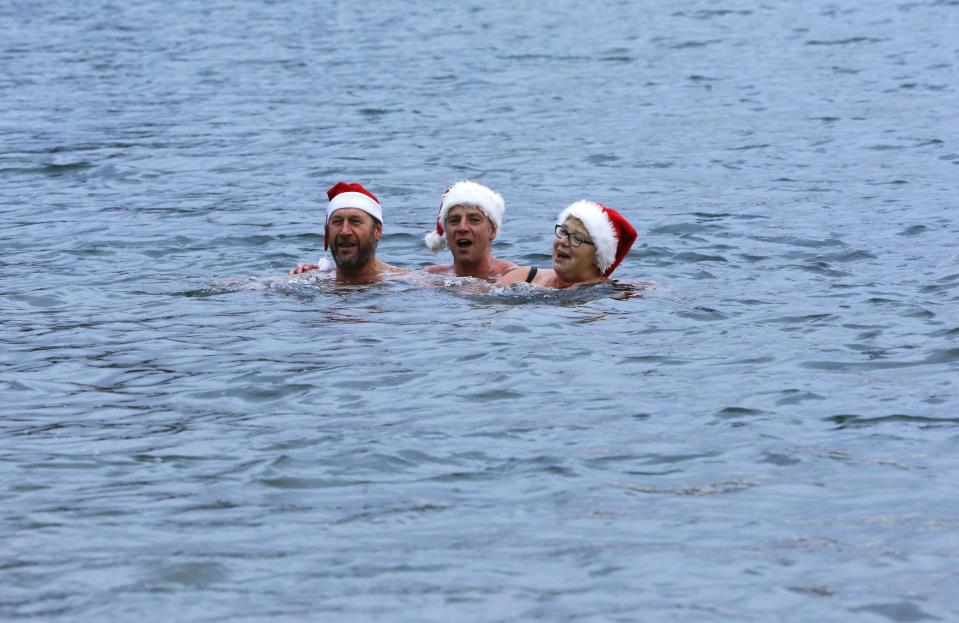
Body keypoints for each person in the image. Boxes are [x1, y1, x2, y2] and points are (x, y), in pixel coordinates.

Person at [498, 200, 637, 288]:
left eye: (577, 238)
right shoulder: (525, 276)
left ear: (597, 256)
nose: (563, 241)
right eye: (563, 232)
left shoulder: (602, 296)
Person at [289, 182, 403, 284]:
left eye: (355, 221)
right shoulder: (311, 280)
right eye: (337, 222)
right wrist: (298, 279)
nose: (345, 232)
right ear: (327, 230)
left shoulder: (404, 281)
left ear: (377, 231)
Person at [423, 180, 517, 279]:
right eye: (454, 220)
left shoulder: (516, 277)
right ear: (446, 232)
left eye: (474, 220)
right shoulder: (431, 276)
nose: (462, 228)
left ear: (492, 231)